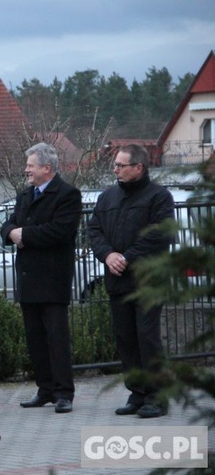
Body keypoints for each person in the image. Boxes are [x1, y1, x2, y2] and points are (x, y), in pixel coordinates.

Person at [88, 143, 174, 419]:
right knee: (126, 339)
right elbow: (94, 230)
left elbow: (160, 235)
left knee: (147, 337)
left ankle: (157, 397)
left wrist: (126, 257)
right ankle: (137, 393)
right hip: (118, 281)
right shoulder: (108, 197)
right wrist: (108, 254)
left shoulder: (159, 197)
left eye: (120, 165)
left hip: (148, 280)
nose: (115, 169)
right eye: (115, 165)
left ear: (138, 167)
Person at [0, 142, 81, 414]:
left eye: (31, 166)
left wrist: (24, 235)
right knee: (35, 339)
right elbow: (8, 223)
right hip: (28, 278)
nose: (27, 170)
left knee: (56, 338)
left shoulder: (68, 195)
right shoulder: (25, 195)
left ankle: (63, 393)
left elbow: (60, 231)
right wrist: (12, 233)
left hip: (53, 277)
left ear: (47, 168)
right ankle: (44, 389)